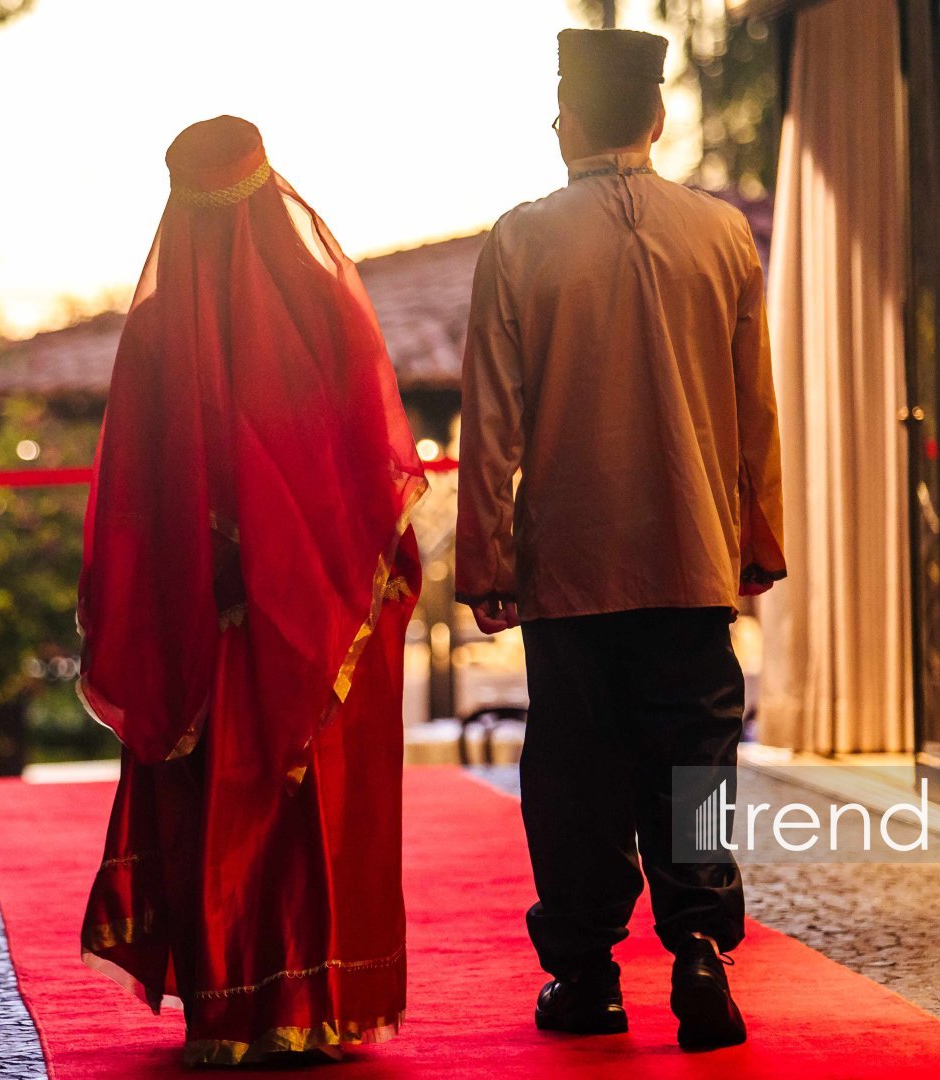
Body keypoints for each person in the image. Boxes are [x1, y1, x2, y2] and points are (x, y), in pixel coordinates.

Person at [455, 28, 785, 1052]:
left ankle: (589, 976)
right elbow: (754, 409)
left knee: (578, 771)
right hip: (692, 555)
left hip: (572, 563)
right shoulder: (722, 234)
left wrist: (487, 561)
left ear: (565, 125)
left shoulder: (521, 240)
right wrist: (755, 538)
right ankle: (699, 956)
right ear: (656, 119)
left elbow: (491, 420)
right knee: (695, 764)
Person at [76, 115, 426, 1066]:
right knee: (313, 805)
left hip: (205, 625)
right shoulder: (325, 307)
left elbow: (134, 502)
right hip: (318, 622)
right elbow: (374, 471)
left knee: (225, 808)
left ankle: (231, 1013)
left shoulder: (155, 331)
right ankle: (322, 1006)